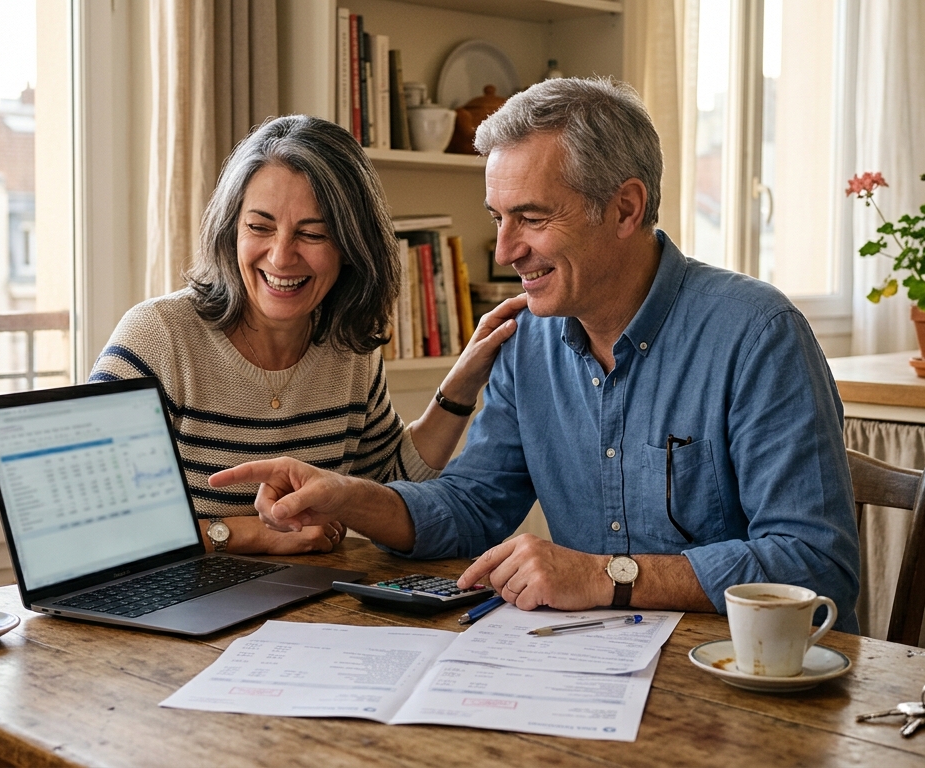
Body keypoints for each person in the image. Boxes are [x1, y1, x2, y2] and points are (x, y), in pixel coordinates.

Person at [209, 78, 861, 631]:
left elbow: (813, 564)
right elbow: (472, 506)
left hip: (750, 684)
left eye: (532, 218)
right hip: (598, 671)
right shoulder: (531, 340)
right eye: (498, 217)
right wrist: (351, 498)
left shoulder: (756, 334)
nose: (504, 250)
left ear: (625, 207)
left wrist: (608, 577)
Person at [90, 115, 525, 556]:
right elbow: (92, 526)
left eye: (312, 234)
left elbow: (390, 488)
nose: (280, 257)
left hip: (301, 607)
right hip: (176, 610)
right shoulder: (159, 339)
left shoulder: (347, 347)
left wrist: (462, 382)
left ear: (351, 246)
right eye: (259, 227)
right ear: (230, 229)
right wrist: (247, 534)